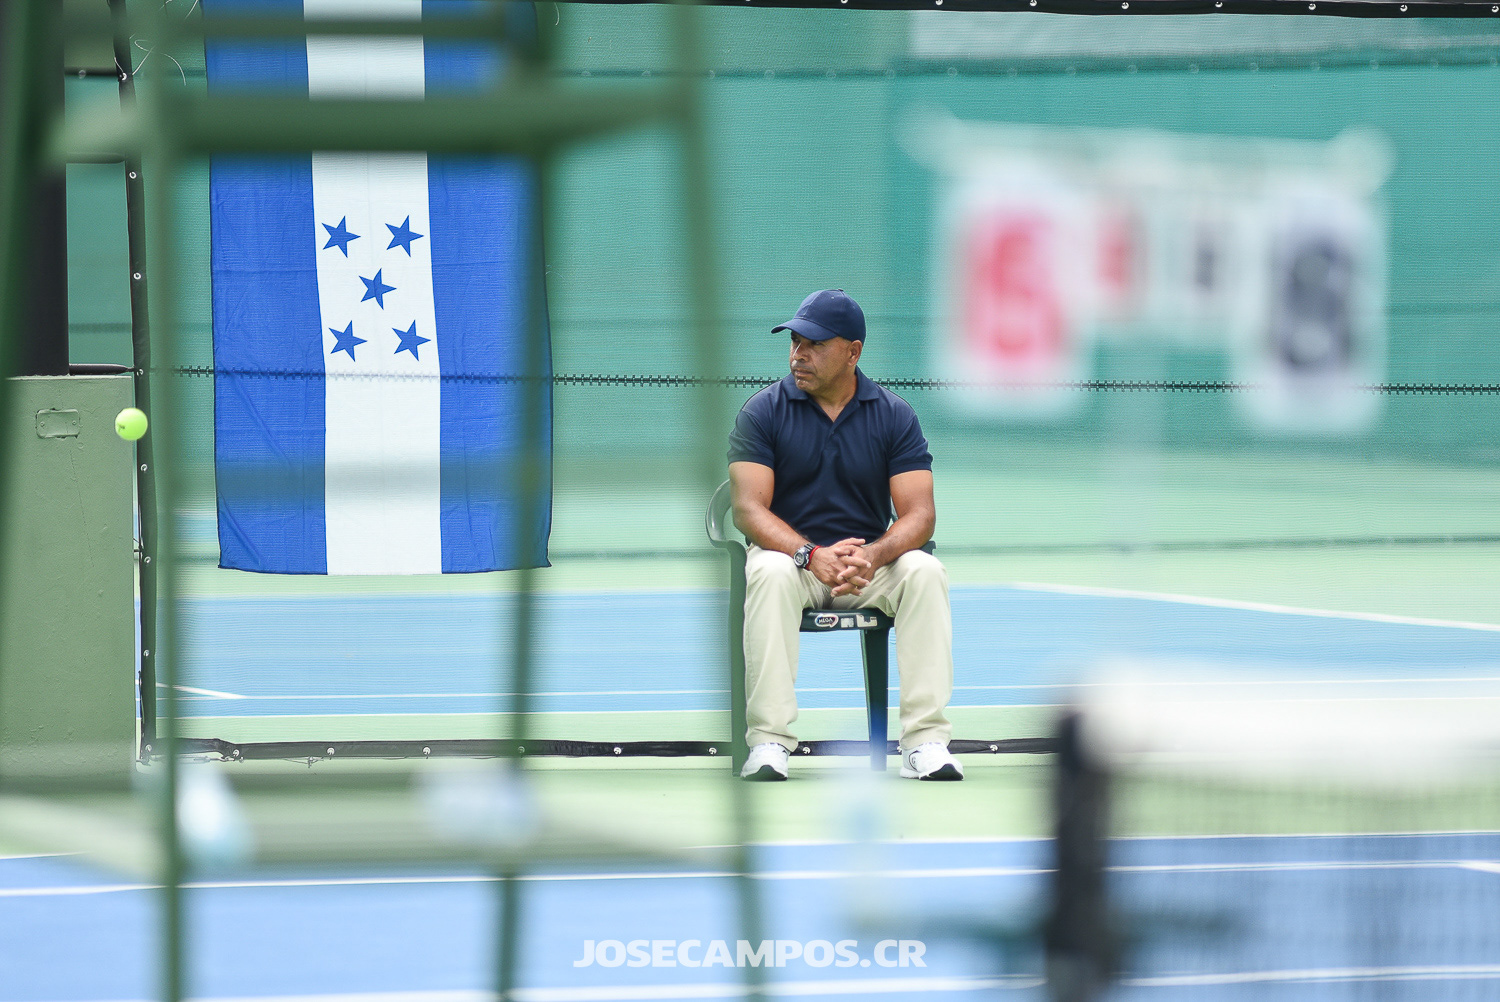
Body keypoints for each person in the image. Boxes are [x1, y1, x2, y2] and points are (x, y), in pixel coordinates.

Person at [727, 289, 962, 782]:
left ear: (853, 352)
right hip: (793, 563)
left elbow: (920, 515)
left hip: (866, 568)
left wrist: (874, 555)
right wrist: (809, 554)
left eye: (814, 344)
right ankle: (769, 742)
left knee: (924, 570)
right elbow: (748, 509)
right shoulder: (762, 411)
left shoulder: (894, 415)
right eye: (794, 342)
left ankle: (925, 743)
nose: (798, 354)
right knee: (768, 571)